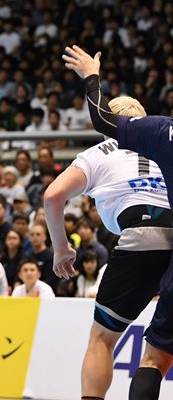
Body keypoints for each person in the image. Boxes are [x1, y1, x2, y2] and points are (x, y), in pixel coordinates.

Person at [61, 45, 173, 400]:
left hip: (141, 239)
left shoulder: (160, 133)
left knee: (134, 352)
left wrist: (91, 76)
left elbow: (52, 195)